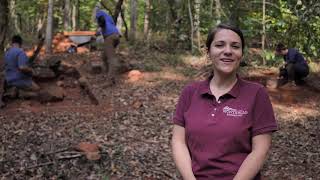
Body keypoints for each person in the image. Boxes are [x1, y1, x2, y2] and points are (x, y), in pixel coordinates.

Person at [171, 23, 278, 180]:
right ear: (209, 52)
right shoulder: (190, 92)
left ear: (241, 54)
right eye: (220, 45)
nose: (228, 51)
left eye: (235, 46)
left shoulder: (256, 94)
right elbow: (178, 142)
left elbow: (260, 150)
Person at [94, 3, 120, 86]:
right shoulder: (108, 16)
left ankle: (109, 81)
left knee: (111, 59)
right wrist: (100, 30)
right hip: (116, 36)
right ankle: (110, 77)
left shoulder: (99, 13)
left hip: (110, 37)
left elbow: (102, 22)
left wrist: (98, 29)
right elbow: (109, 25)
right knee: (104, 57)